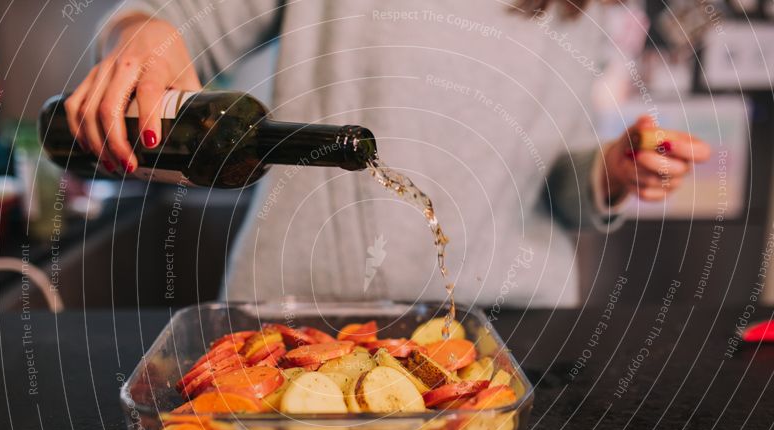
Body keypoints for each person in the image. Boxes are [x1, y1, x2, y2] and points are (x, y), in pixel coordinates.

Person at [65, 0, 710, 308]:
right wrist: (144, 40)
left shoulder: (580, 8)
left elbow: (563, 183)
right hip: (295, 321)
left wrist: (612, 173)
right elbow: (184, 17)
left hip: (509, 333)